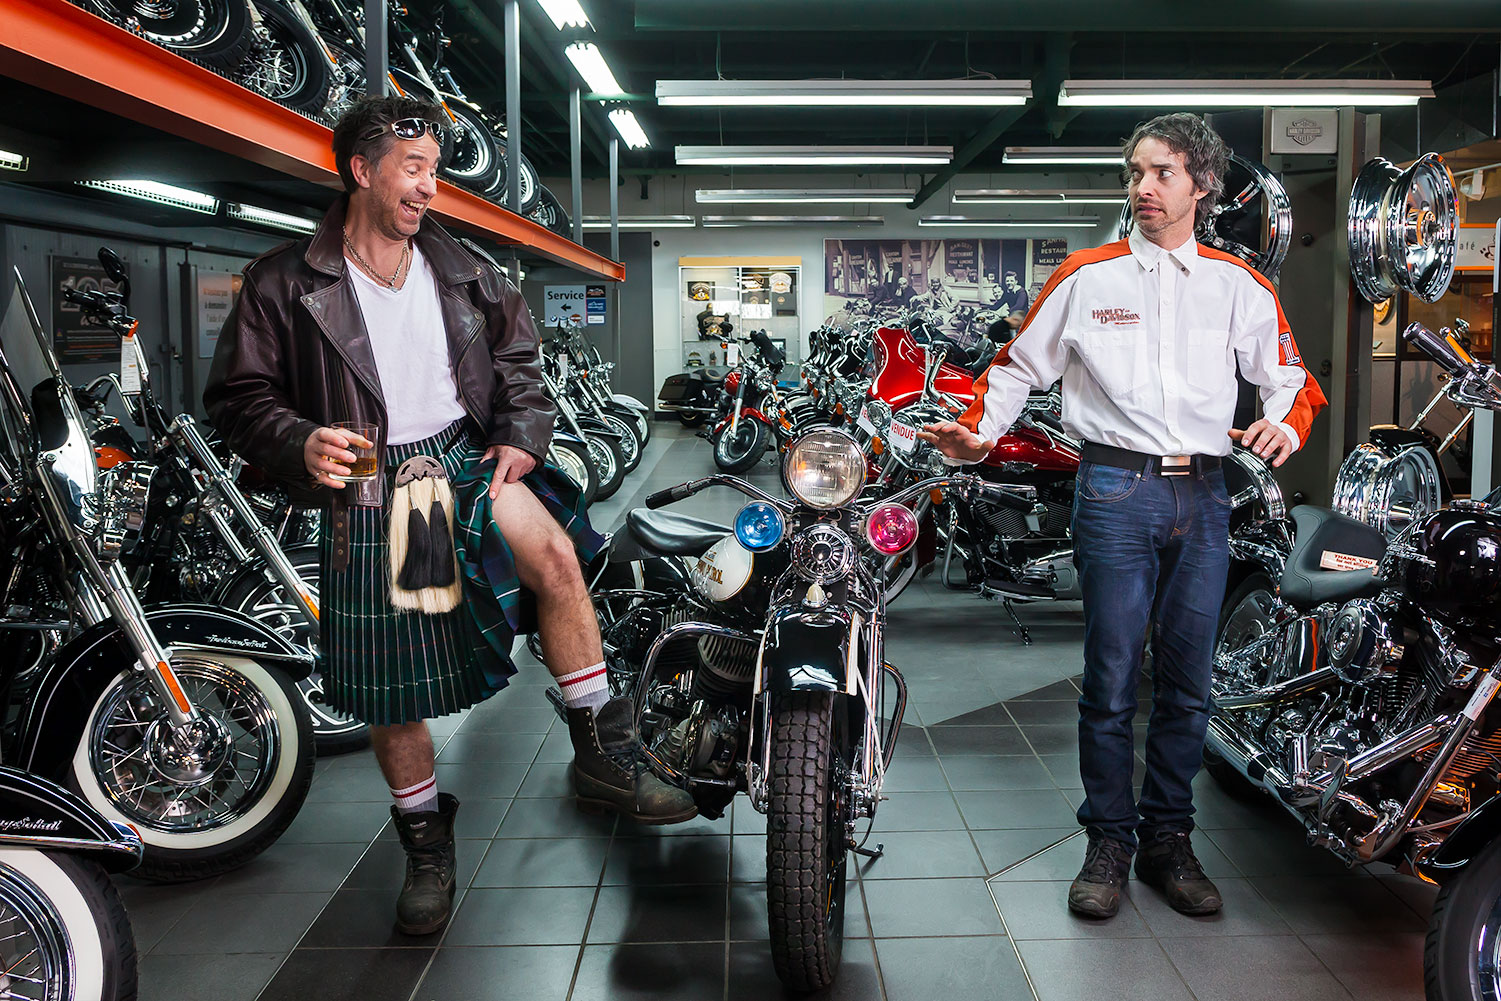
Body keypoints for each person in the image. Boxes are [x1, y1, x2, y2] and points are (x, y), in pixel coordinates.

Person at [204, 96, 694, 936]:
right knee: (397, 687)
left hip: (461, 459)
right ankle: (426, 841)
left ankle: (599, 749)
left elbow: (520, 364)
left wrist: (523, 435)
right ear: (361, 169)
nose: (429, 186)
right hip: (371, 481)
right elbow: (239, 398)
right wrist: (297, 439)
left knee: (558, 559)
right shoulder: (285, 281)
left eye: (435, 169)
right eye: (414, 168)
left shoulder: (466, 267)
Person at [919, 112, 1326, 920]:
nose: (1143, 187)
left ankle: (1167, 839)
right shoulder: (1086, 275)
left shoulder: (1238, 286)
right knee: (1109, 680)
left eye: (1162, 173)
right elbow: (1013, 367)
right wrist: (978, 432)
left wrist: (1283, 422)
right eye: (1135, 172)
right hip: (1112, 492)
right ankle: (1107, 841)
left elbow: (1288, 377)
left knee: (1185, 683)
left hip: (1204, 497)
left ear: (1200, 186)